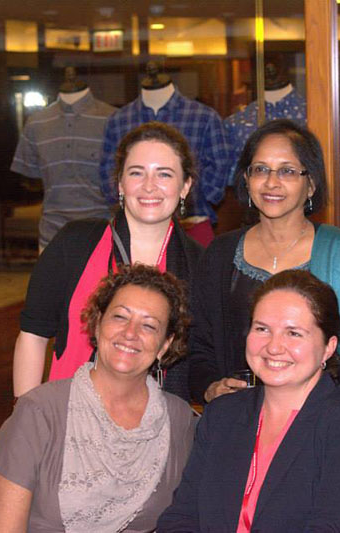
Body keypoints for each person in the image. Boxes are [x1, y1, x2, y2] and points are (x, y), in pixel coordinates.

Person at [158, 270, 340, 532]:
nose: (274, 347)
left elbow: (334, 527)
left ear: (328, 347)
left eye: (294, 333)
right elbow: (181, 516)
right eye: (262, 329)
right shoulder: (223, 413)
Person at [189, 119, 340, 403]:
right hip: (238, 421)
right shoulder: (220, 254)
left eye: (287, 171)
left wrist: (317, 394)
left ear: (310, 185)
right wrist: (211, 387)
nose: (272, 182)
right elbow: (198, 343)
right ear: (246, 180)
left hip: (325, 420)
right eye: (260, 169)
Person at [0, 265, 197, 533]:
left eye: (148, 325)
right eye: (120, 317)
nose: (130, 333)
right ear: (97, 324)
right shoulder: (39, 412)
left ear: (165, 345)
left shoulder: (178, 419)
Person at [13, 122, 203, 401]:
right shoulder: (74, 242)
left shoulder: (199, 263)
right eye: (137, 173)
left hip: (156, 424)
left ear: (185, 186)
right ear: (120, 184)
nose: (149, 186)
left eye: (164, 174)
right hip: (67, 414)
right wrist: (27, 418)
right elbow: (33, 335)